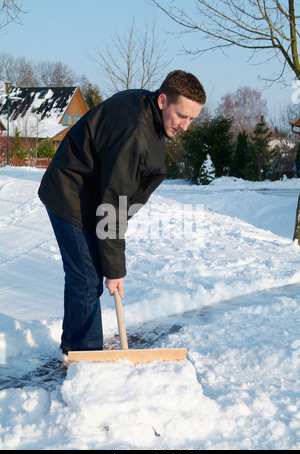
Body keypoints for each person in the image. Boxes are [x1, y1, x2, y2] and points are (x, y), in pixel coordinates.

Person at [38, 70, 206, 353]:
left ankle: (74, 348)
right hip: (70, 192)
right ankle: (86, 358)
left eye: (192, 119)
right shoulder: (135, 135)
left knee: (85, 277)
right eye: (182, 116)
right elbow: (114, 204)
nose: (185, 126)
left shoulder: (148, 107)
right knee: (88, 278)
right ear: (163, 100)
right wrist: (115, 268)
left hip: (89, 191)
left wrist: (112, 259)